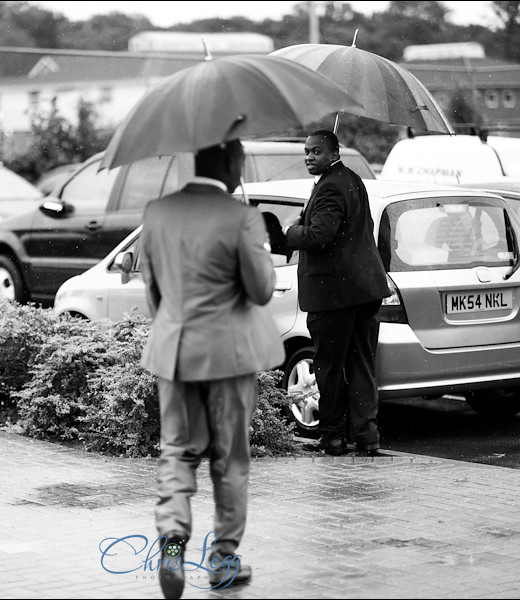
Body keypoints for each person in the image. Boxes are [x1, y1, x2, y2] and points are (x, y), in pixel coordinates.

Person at [139, 139, 284, 599]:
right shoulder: (242, 216)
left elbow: (154, 294)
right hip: (231, 356)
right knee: (229, 459)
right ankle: (222, 560)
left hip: (175, 352)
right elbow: (261, 291)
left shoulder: (157, 212)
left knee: (177, 450)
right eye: (241, 158)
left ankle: (172, 543)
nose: (243, 166)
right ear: (226, 162)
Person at [282, 130, 389, 457]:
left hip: (335, 296)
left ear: (333, 152)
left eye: (316, 151)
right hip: (364, 290)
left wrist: (292, 229)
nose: (309, 157)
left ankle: (333, 439)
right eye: (306, 151)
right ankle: (367, 438)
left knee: (329, 369)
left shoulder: (329, 186)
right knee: (361, 366)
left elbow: (319, 236)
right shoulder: (353, 180)